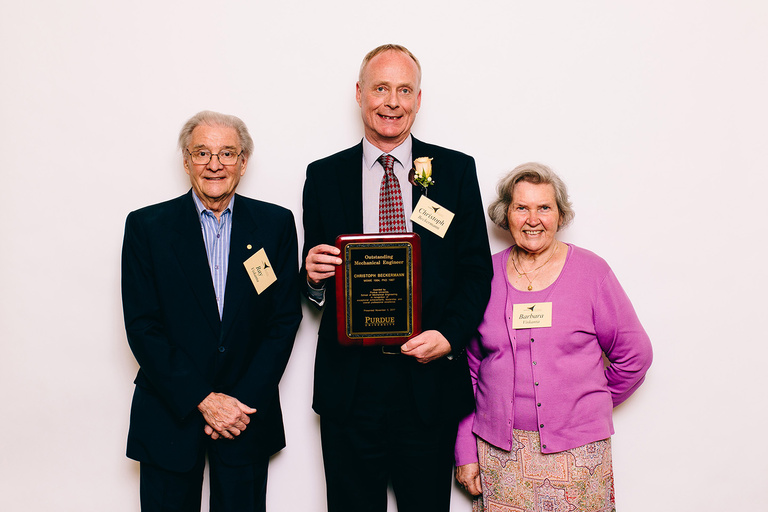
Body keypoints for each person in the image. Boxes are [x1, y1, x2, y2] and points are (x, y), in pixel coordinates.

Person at [301, 44, 492, 512]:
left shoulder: (455, 171)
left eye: (404, 90)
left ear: (419, 99)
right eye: (381, 88)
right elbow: (316, 276)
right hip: (351, 386)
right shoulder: (323, 176)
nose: (392, 102)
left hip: (427, 381)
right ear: (359, 94)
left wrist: (449, 336)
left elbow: (475, 272)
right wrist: (312, 277)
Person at [121, 110, 302, 512]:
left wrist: (237, 405)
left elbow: (284, 320)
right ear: (186, 161)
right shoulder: (147, 228)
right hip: (169, 415)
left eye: (227, 153)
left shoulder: (275, 224)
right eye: (202, 153)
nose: (214, 164)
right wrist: (203, 399)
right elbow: (142, 326)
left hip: (245, 415)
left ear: (243, 162)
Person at [454, 162, 653, 511]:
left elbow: (635, 355)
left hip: (579, 454)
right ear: (505, 214)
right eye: (522, 208)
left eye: (544, 207)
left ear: (560, 215)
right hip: (499, 454)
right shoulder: (483, 275)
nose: (533, 219)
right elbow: (468, 372)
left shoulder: (592, 273)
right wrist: (464, 450)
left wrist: (588, 405)